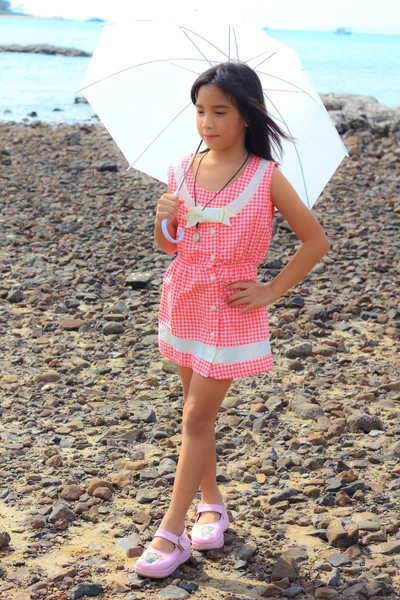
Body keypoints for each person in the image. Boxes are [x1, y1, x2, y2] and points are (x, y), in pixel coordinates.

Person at [134, 61, 330, 578]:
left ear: (247, 115)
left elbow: (315, 241)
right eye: (200, 111)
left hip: (229, 307)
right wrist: (163, 216)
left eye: (219, 111)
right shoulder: (180, 170)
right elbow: (167, 246)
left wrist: (270, 289)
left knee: (196, 418)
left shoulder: (266, 176)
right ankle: (212, 504)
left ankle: (171, 533)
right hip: (183, 299)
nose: (207, 122)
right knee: (195, 414)